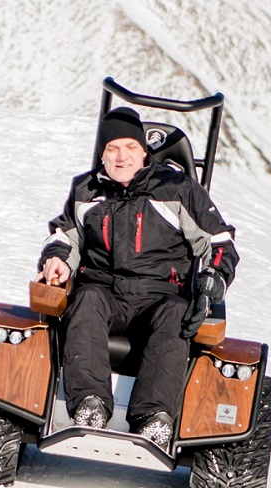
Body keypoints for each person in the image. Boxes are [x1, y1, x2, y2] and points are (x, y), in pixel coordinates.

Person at [38, 106, 238, 450]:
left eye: (130, 147)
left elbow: (218, 242)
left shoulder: (178, 190)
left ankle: (154, 418)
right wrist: (57, 259)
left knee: (176, 314)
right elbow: (66, 234)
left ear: (144, 151)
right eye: (112, 149)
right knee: (85, 300)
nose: (121, 157)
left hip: (161, 296)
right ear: (102, 153)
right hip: (103, 291)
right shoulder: (86, 190)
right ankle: (89, 405)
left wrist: (213, 278)